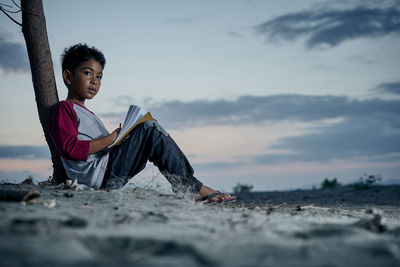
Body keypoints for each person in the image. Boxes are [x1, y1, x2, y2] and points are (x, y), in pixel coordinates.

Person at [49, 43, 235, 203]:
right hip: (101, 174)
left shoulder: (84, 112)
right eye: (88, 73)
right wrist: (111, 138)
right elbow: (69, 148)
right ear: (68, 77)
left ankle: (189, 188)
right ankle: (192, 189)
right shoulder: (64, 109)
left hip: (107, 169)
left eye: (99, 77)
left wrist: (121, 139)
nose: (94, 81)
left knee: (148, 127)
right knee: (149, 129)